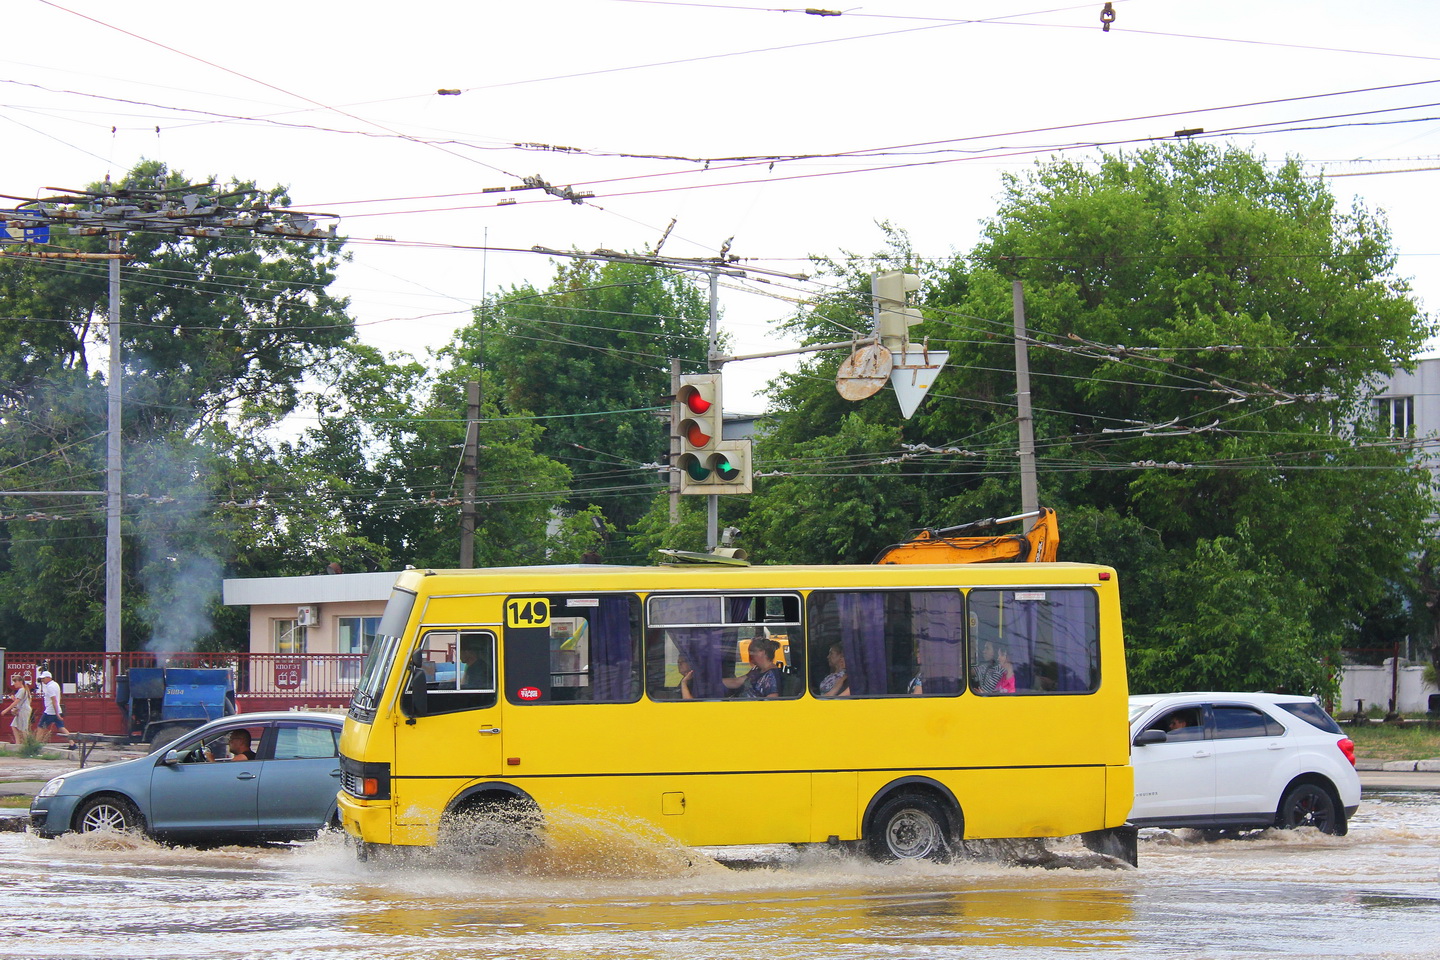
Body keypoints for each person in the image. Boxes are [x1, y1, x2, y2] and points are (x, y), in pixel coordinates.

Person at [36, 670, 70, 740]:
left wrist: (57, 713)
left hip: (50, 711)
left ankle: (36, 744)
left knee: (41, 727)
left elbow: (54, 700)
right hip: (56, 709)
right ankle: (72, 743)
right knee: (61, 727)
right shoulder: (55, 684)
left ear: (49, 678)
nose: (42, 680)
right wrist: (58, 712)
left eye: (44, 678)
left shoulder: (50, 687)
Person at [2, 675, 32, 745]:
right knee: (14, 726)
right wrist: (13, 699)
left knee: (23, 728)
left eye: (15, 681)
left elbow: (17, 702)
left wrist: (6, 710)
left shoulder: (22, 690)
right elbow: (20, 700)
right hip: (22, 710)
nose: (14, 683)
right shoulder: (24, 690)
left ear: (20, 682)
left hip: (24, 710)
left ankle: (28, 744)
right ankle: (18, 743)